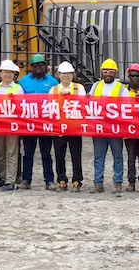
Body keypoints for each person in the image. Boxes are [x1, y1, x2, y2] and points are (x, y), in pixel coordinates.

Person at [17, 54, 59, 191]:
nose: (38, 68)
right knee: (28, 153)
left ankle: (49, 180)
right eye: (35, 66)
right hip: (28, 124)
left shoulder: (53, 82)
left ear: (45, 66)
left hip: (46, 124)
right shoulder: (23, 82)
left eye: (41, 65)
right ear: (31, 67)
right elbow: (17, 101)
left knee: (46, 153)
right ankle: (26, 179)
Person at [89, 59, 128, 196]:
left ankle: (117, 182)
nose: (107, 74)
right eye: (105, 71)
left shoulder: (122, 88)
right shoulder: (95, 86)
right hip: (99, 128)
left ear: (115, 73)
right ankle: (98, 183)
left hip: (115, 129)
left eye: (110, 72)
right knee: (98, 157)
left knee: (117, 157)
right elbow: (88, 104)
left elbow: (127, 108)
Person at [49, 62, 85, 192]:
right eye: (63, 74)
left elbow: (83, 104)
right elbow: (49, 107)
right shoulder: (53, 90)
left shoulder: (79, 88)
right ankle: (61, 180)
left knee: (76, 154)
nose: (66, 76)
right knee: (59, 155)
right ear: (59, 75)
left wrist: (70, 95)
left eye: (68, 73)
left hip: (74, 127)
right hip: (59, 128)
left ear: (72, 74)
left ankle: (77, 180)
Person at [0, 60, 24, 191]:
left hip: (12, 126)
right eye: (5, 72)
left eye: (10, 72)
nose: (7, 75)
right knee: (0, 153)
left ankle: (10, 181)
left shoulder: (18, 89)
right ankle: (1, 176)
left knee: (12, 153)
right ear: (0, 73)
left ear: (14, 75)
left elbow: (22, 107)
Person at [123, 64, 139, 193]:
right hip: (129, 128)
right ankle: (131, 181)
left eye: (137, 76)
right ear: (128, 76)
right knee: (131, 157)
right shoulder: (123, 91)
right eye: (132, 75)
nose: (135, 78)